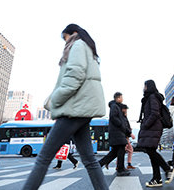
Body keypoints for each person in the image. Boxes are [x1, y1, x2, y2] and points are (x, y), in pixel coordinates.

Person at [22, 24, 108, 190]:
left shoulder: (77, 45)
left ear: (73, 33)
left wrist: (56, 100)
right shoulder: (88, 49)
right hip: (82, 109)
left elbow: (74, 76)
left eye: (65, 37)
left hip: (73, 110)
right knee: (90, 160)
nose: (64, 42)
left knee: (43, 157)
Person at [138, 80, 174, 187]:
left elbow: (154, 113)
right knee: (151, 152)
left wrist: (145, 124)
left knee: (150, 151)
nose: (143, 88)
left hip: (153, 127)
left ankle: (168, 169)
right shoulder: (150, 97)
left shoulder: (152, 97)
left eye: (144, 86)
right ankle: (157, 179)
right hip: (152, 127)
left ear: (148, 86)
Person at [99, 92, 131, 176]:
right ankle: (120, 169)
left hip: (118, 133)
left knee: (115, 152)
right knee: (120, 151)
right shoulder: (114, 106)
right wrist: (121, 125)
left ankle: (99, 164)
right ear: (118, 98)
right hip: (117, 133)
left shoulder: (116, 106)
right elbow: (113, 117)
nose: (122, 99)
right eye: (121, 97)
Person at [121, 104, 136, 170]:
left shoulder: (124, 117)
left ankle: (128, 164)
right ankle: (119, 165)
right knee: (121, 151)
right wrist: (130, 133)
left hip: (126, 136)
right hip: (124, 137)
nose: (126, 111)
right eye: (125, 110)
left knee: (130, 150)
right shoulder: (122, 117)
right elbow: (124, 127)